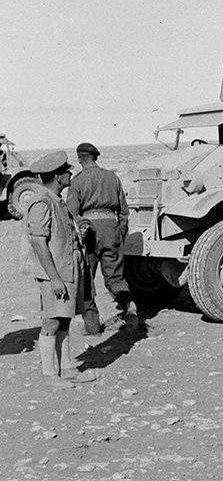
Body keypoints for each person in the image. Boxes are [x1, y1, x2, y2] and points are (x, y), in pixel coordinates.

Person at [23, 151, 96, 388]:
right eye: (66, 171)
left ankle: (67, 369)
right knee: (52, 322)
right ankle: (49, 375)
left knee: (64, 320)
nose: (70, 174)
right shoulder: (42, 202)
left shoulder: (56, 200)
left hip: (67, 269)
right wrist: (54, 279)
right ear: (57, 176)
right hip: (55, 273)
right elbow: (38, 242)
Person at [66, 142, 137, 333]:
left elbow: (71, 214)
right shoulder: (112, 177)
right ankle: (130, 309)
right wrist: (120, 234)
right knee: (115, 278)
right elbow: (123, 211)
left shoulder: (78, 181)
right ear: (95, 158)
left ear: (80, 159)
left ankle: (92, 327)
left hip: (89, 232)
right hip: (111, 229)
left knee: (85, 280)